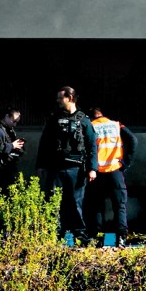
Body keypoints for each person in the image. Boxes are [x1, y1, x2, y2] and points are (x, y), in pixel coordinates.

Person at [37, 87, 98, 244]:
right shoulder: (54, 119)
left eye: (60, 98)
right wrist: (41, 165)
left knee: (76, 203)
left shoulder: (84, 120)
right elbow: (44, 143)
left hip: (76, 168)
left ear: (70, 98)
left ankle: (80, 235)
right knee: (54, 202)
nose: (58, 101)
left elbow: (92, 145)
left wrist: (92, 168)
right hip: (56, 167)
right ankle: (55, 234)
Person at [83, 108, 136, 247]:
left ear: (91, 117)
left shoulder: (90, 126)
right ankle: (121, 239)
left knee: (95, 206)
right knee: (119, 206)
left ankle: (95, 238)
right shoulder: (116, 125)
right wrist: (125, 162)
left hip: (96, 172)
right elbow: (133, 140)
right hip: (115, 170)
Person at [0, 106, 25, 202]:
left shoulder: (7, 129)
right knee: (3, 196)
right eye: (14, 121)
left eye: (16, 122)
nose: (15, 124)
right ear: (7, 116)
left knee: (8, 195)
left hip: (8, 167)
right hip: (1, 169)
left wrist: (18, 147)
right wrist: (11, 146)